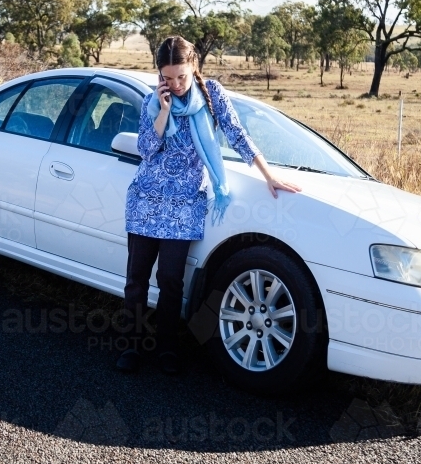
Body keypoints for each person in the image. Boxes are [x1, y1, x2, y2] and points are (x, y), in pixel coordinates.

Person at [116, 36, 301, 375]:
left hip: (185, 204)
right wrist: (164, 111)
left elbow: (237, 134)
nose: (175, 84)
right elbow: (145, 148)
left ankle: (167, 348)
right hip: (146, 200)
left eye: (181, 77)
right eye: (167, 77)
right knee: (136, 280)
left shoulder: (212, 95)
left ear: (194, 67)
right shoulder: (152, 102)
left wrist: (268, 175)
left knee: (171, 279)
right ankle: (131, 346)